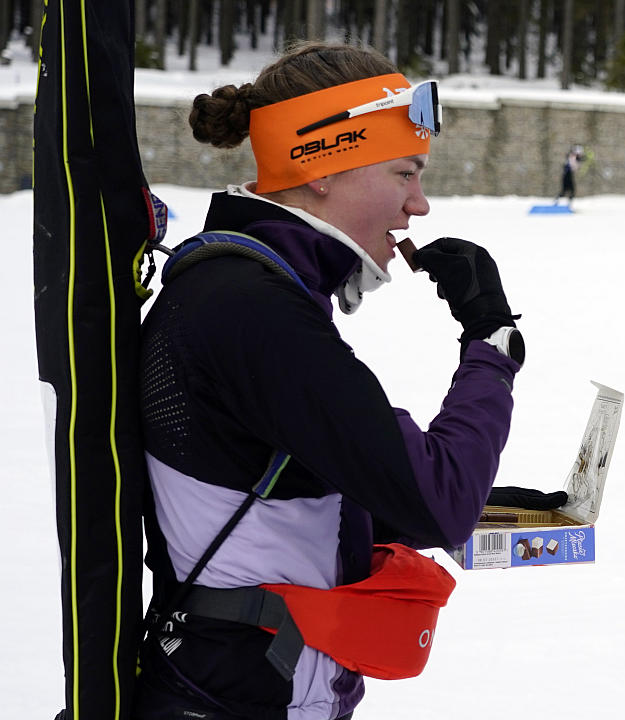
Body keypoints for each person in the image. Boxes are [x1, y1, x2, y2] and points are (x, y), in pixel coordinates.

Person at [134, 42, 526, 719]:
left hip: (222, 686)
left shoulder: (244, 285)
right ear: (321, 164)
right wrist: (491, 346)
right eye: (405, 173)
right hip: (238, 697)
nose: (420, 204)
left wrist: (474, 496)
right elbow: (439, 502)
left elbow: (276, 489)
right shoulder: (254, 310)